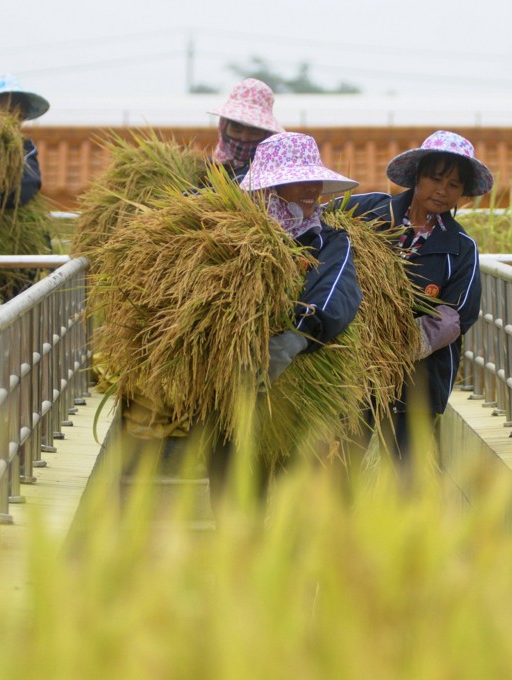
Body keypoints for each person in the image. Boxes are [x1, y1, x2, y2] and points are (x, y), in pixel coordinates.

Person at [207, 131, 363, 499]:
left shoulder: (330, 240)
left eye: (313, 180)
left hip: (301, 386)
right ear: (271, 187)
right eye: (297, 181)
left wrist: (294, 338)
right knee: (232, 485)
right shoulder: (231, 234)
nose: (311, 190)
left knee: (299, 488)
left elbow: (337, 290)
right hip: (233, 384)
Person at [339, 130, 491, 466]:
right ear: (418, 176)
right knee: (338, 466)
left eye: (453, 185)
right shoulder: (365, 212)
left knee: (410, 475)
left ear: (462, 193)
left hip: (419, 377)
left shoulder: (460, 248)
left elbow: (458, 314)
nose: (442, 190)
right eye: (436, 178)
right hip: (352, 367)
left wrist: (395, 348)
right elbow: (315, 229)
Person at [0, 73, 49, 209]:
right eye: (8, 111)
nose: (13, 118)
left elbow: (26, 188)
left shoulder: (24, 149)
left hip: (0, 218)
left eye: (19, 114)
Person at [207, 78, 285, 180]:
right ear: (223, 127)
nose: (244, 138)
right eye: (237, 129)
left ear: (267, 135)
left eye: (254, 132)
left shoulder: (276, 175)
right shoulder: (206, 170)